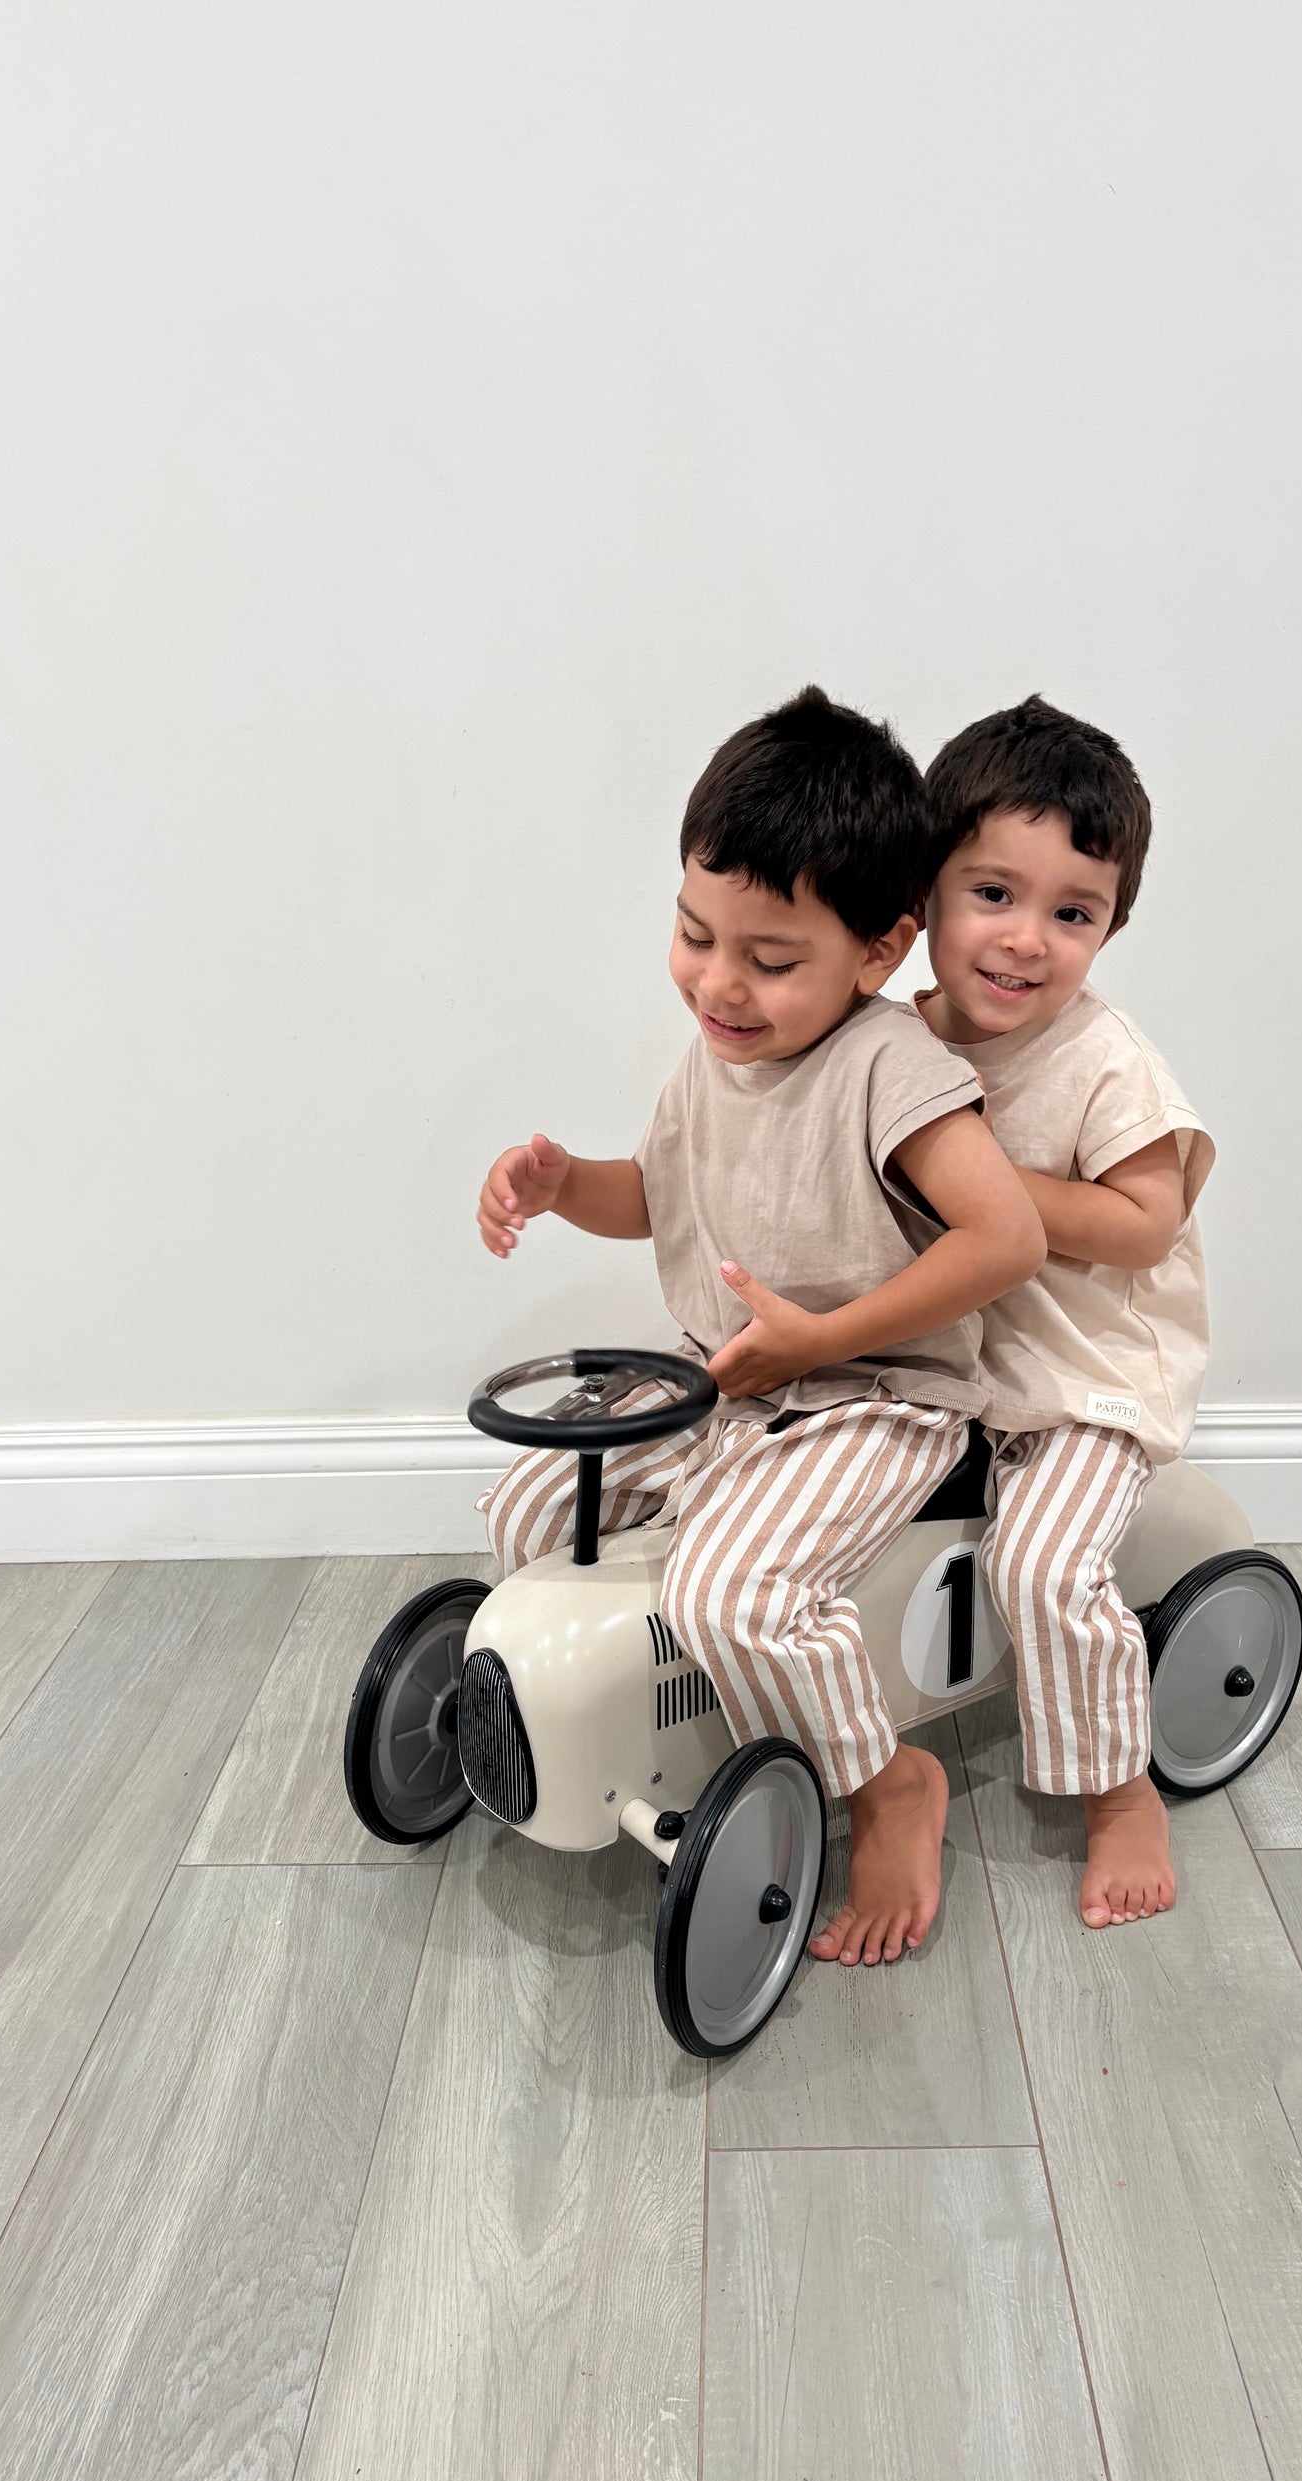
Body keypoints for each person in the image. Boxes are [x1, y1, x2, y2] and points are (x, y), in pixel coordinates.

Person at [475, 687, 1045, 1966]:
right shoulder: (714, 1054)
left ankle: (885, 1783)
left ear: (878, 951)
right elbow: (660, 1195)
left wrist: (824, 1341)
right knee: (528, 1509)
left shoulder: (887, 1067)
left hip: (873, 1402)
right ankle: (646, 1717)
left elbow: (1002, 1238)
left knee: (732, 1589)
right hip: (732, 1379)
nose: (718, 985)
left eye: (769, 960)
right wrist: (565, 1187)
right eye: (693, 935)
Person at [917, 696, 1214, 1929]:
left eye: (1071, 914)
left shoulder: (1104, 1062)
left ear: (1110, 925)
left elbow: (1145, 1222)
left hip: (1078, 1374)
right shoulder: (892, 1042)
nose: (1024, 939)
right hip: (943, 1356)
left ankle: (1115, 1787)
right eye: (991, 894)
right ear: (922, 891)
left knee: (1040, 1567)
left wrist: (987, 1191)